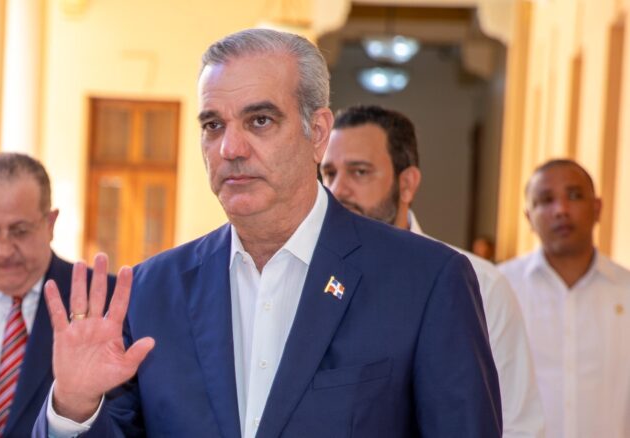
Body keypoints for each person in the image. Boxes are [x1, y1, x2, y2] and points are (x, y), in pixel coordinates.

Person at [36, 28, 502, 437]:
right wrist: (74, 408)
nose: (231, 148)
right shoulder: (154, 291)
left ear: (318, 133)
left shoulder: (424, 281)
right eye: (213, 125)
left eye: (260, 121)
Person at [320, 104, 545, 437]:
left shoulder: (481, 283)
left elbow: (515, 425)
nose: (338, 190)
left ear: (407, 184)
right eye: (328, 174)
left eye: (360, 172)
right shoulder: (307, 276)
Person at [0, 153, 114, 438]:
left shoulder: (104, 303)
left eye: (20, 231)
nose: (4, 250)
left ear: (50, 224)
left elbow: (131, 422)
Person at [498, 159, 630, 438]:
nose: (561, 210)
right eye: (546, 200)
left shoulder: (626, 291)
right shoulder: (499, 289)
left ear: (597, 208)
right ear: (529, 217)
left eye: (574, 195)